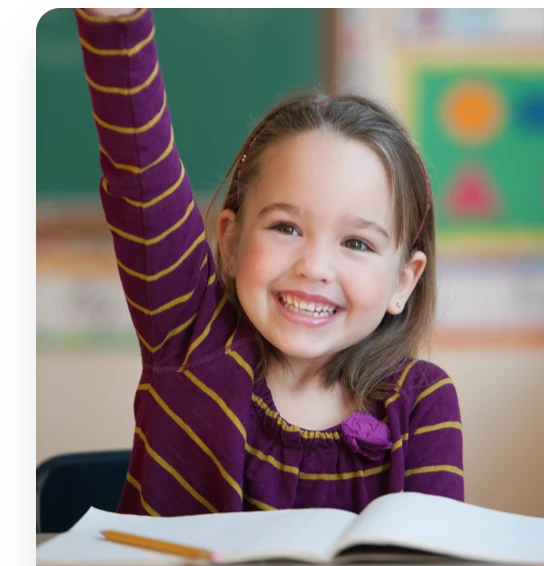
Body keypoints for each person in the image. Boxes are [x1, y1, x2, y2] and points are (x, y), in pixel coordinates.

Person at [73, 7, 464, 516]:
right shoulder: (190, 333)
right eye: (286, 228)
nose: (315, 266)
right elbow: (139, 172)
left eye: (357, 244)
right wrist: (116, 23)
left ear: (404, 282)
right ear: (231, 243)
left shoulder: (421, 403)